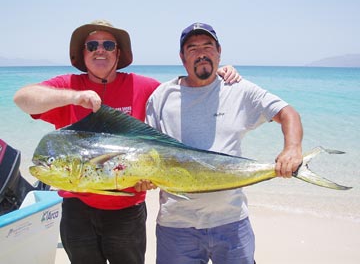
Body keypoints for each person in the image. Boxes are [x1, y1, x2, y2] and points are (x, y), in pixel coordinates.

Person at [13, 20, 241, 264]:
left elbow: (185, 90)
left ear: (118, 53)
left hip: (127, 210)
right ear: (83, 53)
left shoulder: (142, 86)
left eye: (108, 45)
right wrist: (75, 97)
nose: (100, 50)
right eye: (92, 45)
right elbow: (22, 98)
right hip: (77, 209)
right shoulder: (69, 85)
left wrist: (214, 71)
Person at [145, 22, 303, 264]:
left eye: (208, 46)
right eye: (192, 48)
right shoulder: (161, 97)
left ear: (219, 51)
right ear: (182, 57)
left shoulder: (238, 89)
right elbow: (148, 152)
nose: (201, 53)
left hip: (232, 223)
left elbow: (286, 112)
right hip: (175, 226)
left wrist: (292, 149)